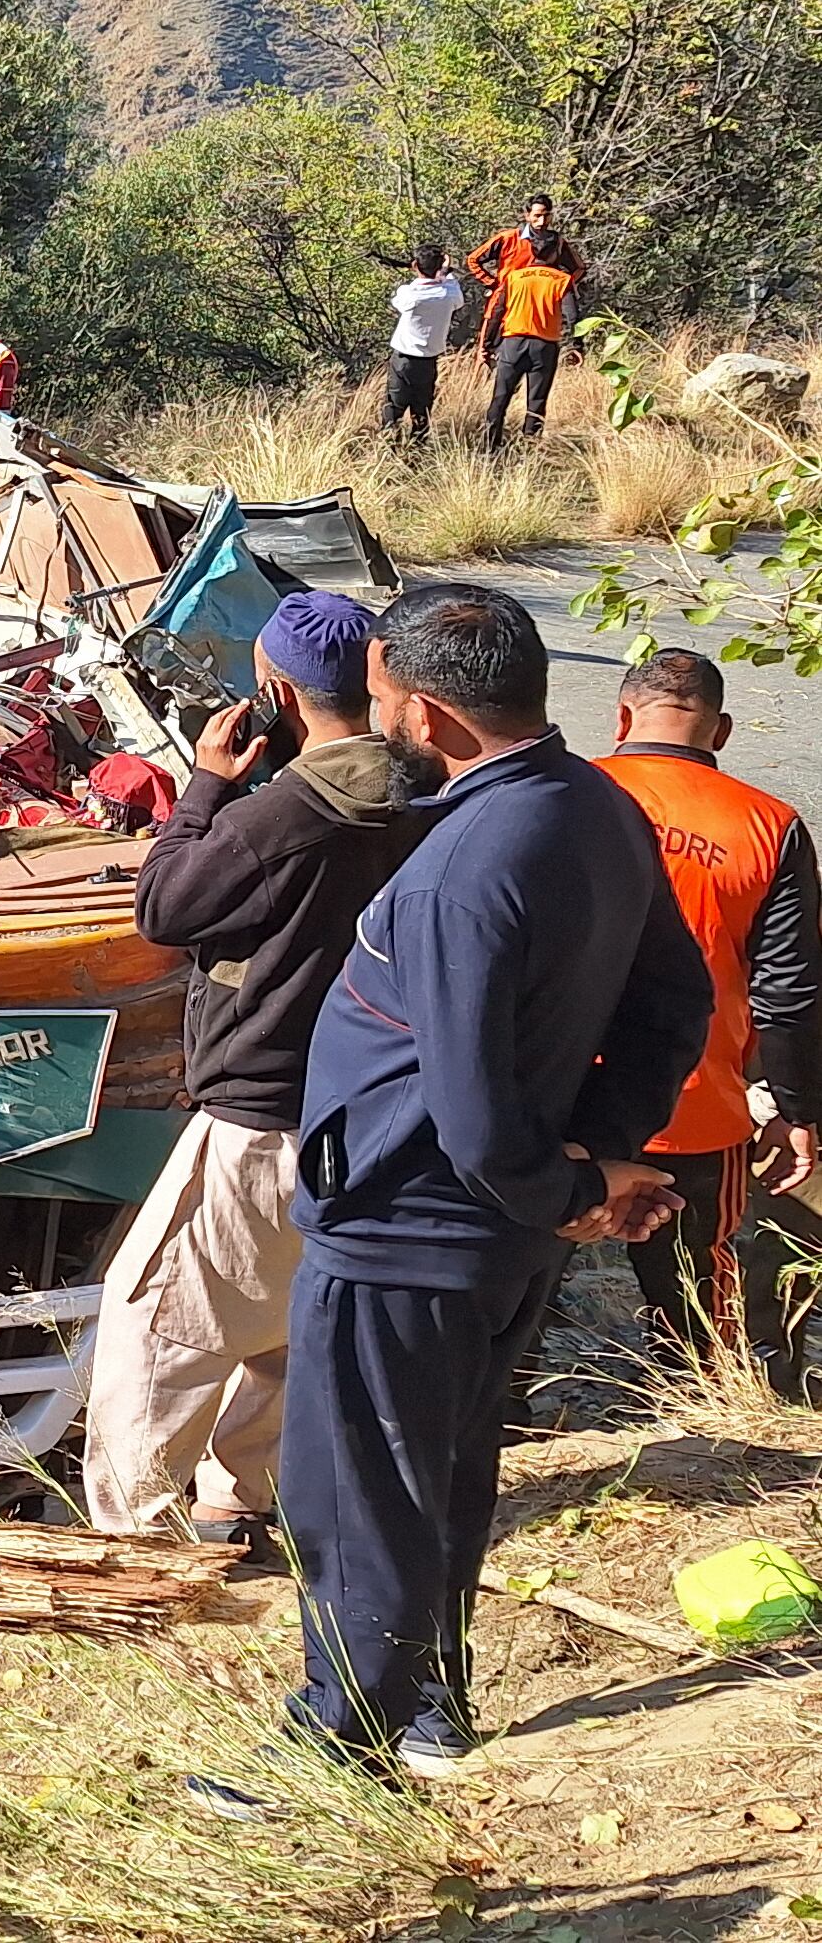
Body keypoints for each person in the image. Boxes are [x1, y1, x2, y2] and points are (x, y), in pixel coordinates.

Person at [255, 582, 705, 1789]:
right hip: (497, 1233)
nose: (378, 721)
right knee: (443, 1468)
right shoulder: (597, 806)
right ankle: (427, 1704)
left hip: (411, 1226)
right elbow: (679, 1001)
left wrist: (570, 1183)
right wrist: (601, 1157)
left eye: (389, 702)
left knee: (350, 1489)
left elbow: (466, 1098)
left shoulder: (467, 865)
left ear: (435, 718)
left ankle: (338, 1739)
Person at [88, 591, 420, 1549]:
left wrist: (204, 787)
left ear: (275, 689)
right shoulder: (423, 793)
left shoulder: (283, 813)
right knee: (282, 1317)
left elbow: (165, 905)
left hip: (259, 1109)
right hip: (365, 1104)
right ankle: (240, 1498)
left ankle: (136, 1538)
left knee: (158, 1318)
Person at [592, 649, 822, 1379]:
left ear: (623, 718)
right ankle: (708, 1411)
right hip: (693, 1106)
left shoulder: (568, 794)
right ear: (720, 732)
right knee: (696, 1292)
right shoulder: (769, 824)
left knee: (520, 1286)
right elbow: (788, 991)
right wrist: (794, 1110)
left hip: (553, 1095)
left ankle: (512, 1420)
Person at [478, 231, 579, 450]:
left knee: (500, 398)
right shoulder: (563, 281)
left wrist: (486, 345)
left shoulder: (513, 278)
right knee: (536, 402)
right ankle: (529, 449)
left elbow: (497, 312)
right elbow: (573, 317)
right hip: (545, 347)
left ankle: (489, 448)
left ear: (532, 250)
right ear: (555, 254)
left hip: (512, 343)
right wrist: (577, 345)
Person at [382, 246, 465, 443]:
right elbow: (454, 289)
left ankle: (389, 448)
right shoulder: (449, 294)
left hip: (403, 360)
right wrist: (444, 272)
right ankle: (417, 450)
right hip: (429, 362)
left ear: (415, 266)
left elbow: (399, 300)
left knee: (394, 406)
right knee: (422, 409)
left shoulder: (410, 294)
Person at [466, 193, 587, 327]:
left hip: (539, 308)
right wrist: (493, 283)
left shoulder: (557, 243)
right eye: (537, 216)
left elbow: (579, 269)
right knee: (490, 338)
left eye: (546, 216)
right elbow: (473, 259)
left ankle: (575, 345)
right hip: (508, 303)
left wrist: (558, 288)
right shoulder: (508, 239)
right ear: (527, 216)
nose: (541, 221)